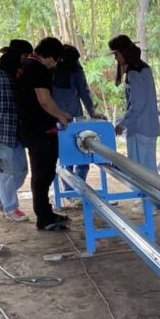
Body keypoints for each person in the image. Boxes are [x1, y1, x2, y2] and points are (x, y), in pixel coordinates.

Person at [17, 37, 71, 232]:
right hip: (41, 132)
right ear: (49, 56)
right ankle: (44, 219)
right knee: (43, 176)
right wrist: (61, 116)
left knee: (41, 175)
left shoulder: (27, 66)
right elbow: (44, 100)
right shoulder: (38, 69)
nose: (54, 65)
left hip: (32, 129)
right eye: (56, 60)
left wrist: (60, 113)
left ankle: (46, 212)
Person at [0, 39, 33, 222]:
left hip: (18, 131)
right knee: (5, 173)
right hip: (1, 131)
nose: (27, 59)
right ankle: (11, 208)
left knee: (21, 171)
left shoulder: (17, 74)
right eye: (25, 56)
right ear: (17, 55)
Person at [52, 45, 105, 203]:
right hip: (74, 119)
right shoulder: (73, 71)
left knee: (67, 158)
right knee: (81, 157)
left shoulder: (52, 71)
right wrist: (91, 111)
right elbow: (84, 92)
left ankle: (71, 193)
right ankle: (75, 191)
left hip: (60, 119)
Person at [108, 35, 160, 171]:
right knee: (150, 172)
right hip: (150, 127)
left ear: (124, 53)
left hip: (139, 129)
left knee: (138, 173)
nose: (116, 58)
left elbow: (137, 105)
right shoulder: (145, 68)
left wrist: (122, 124)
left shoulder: (134, 73)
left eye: (116, 55)